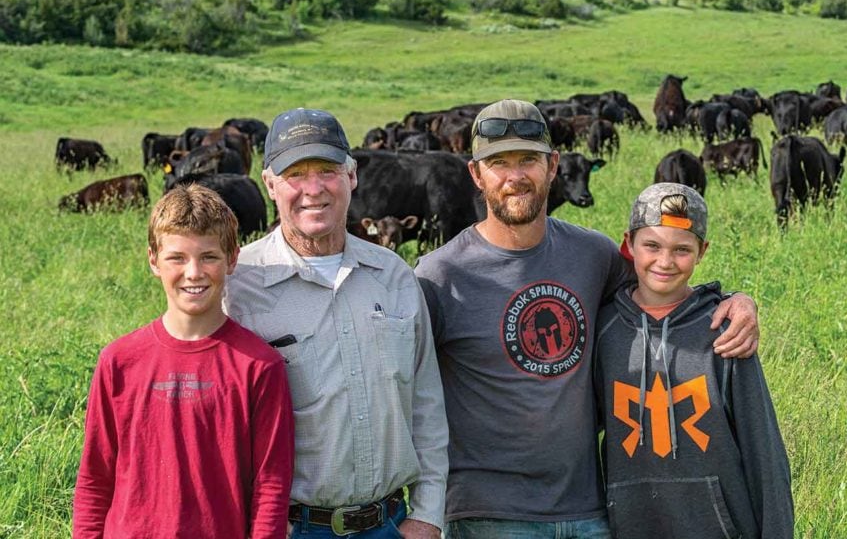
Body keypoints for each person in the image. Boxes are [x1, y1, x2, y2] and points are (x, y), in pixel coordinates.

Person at [415, 100, 761, 538]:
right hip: (488, 512)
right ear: (476, 174)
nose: (515, 176)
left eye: (529, 160)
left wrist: (733, 300)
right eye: (499, 163)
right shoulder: (439, 275)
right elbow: (406, 393)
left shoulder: (592, 254)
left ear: (554, 166)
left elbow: (660, 285)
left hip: (589, 507)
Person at [224, 108, 447, 539]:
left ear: (352, 176)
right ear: (269, 184)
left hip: (392, 525)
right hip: (292, 528)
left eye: (327, 171)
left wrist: (428, 515)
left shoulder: (394, 275)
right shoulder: (238, 286)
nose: (312, 189)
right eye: (295, 174)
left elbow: (427, 404)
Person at [73, 184, 295, 538]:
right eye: (177, 257)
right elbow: (95, 478)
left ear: (232, 259)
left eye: (208, 256)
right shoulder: (118, 361)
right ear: (153, 260)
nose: (193, 272)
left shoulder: (259, 366)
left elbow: (271, 486)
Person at [595, 183, 793, 538]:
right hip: (631, 524)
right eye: (651, 245)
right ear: (628, 245)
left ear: (702, 251)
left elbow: (764, 452)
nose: (665, 261)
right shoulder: (603, 330)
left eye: (682, 250)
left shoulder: (726, 331)